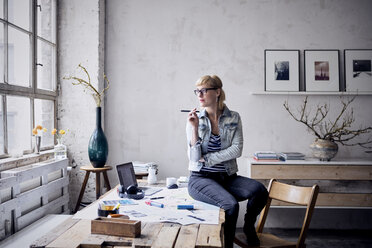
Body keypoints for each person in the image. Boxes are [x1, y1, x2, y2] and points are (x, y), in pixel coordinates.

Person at [186, 75, 268, 248]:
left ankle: (248, 227)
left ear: (217, 92)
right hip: (201, 178)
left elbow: (236, 150)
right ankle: (228, 245)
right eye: (197, 91)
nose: (199, 95)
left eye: (204, 90)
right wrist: (193, 130)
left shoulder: (234, 118)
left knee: (260, 191)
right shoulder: (195, 120)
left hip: (227, 177)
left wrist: (208, 158)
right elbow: (194, 158)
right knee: (230, 205)